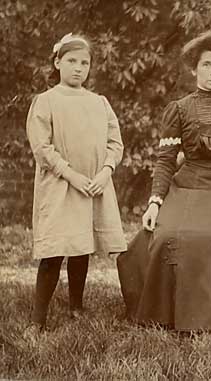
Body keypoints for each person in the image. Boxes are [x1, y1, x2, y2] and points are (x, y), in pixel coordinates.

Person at [117, 29, 211, 331]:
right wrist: (155, 202)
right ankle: (163, 314)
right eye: (207, 64)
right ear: (194, 68)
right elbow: (166, 160)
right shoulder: (178, 110)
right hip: (185, 185)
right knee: (166, 238)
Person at [25, 33, 127, 333]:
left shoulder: (99, 102)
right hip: (61, 185)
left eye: (85, 62)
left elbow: (115, 142)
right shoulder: (46, 102)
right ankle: (37, 319)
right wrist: (71, 174)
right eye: (71, 61)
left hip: (94, 184)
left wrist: (105, 171)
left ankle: (76, 306)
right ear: (57, 62)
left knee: (81, 247)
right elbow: (42, 148)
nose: (78, 68)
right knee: (55, 250)